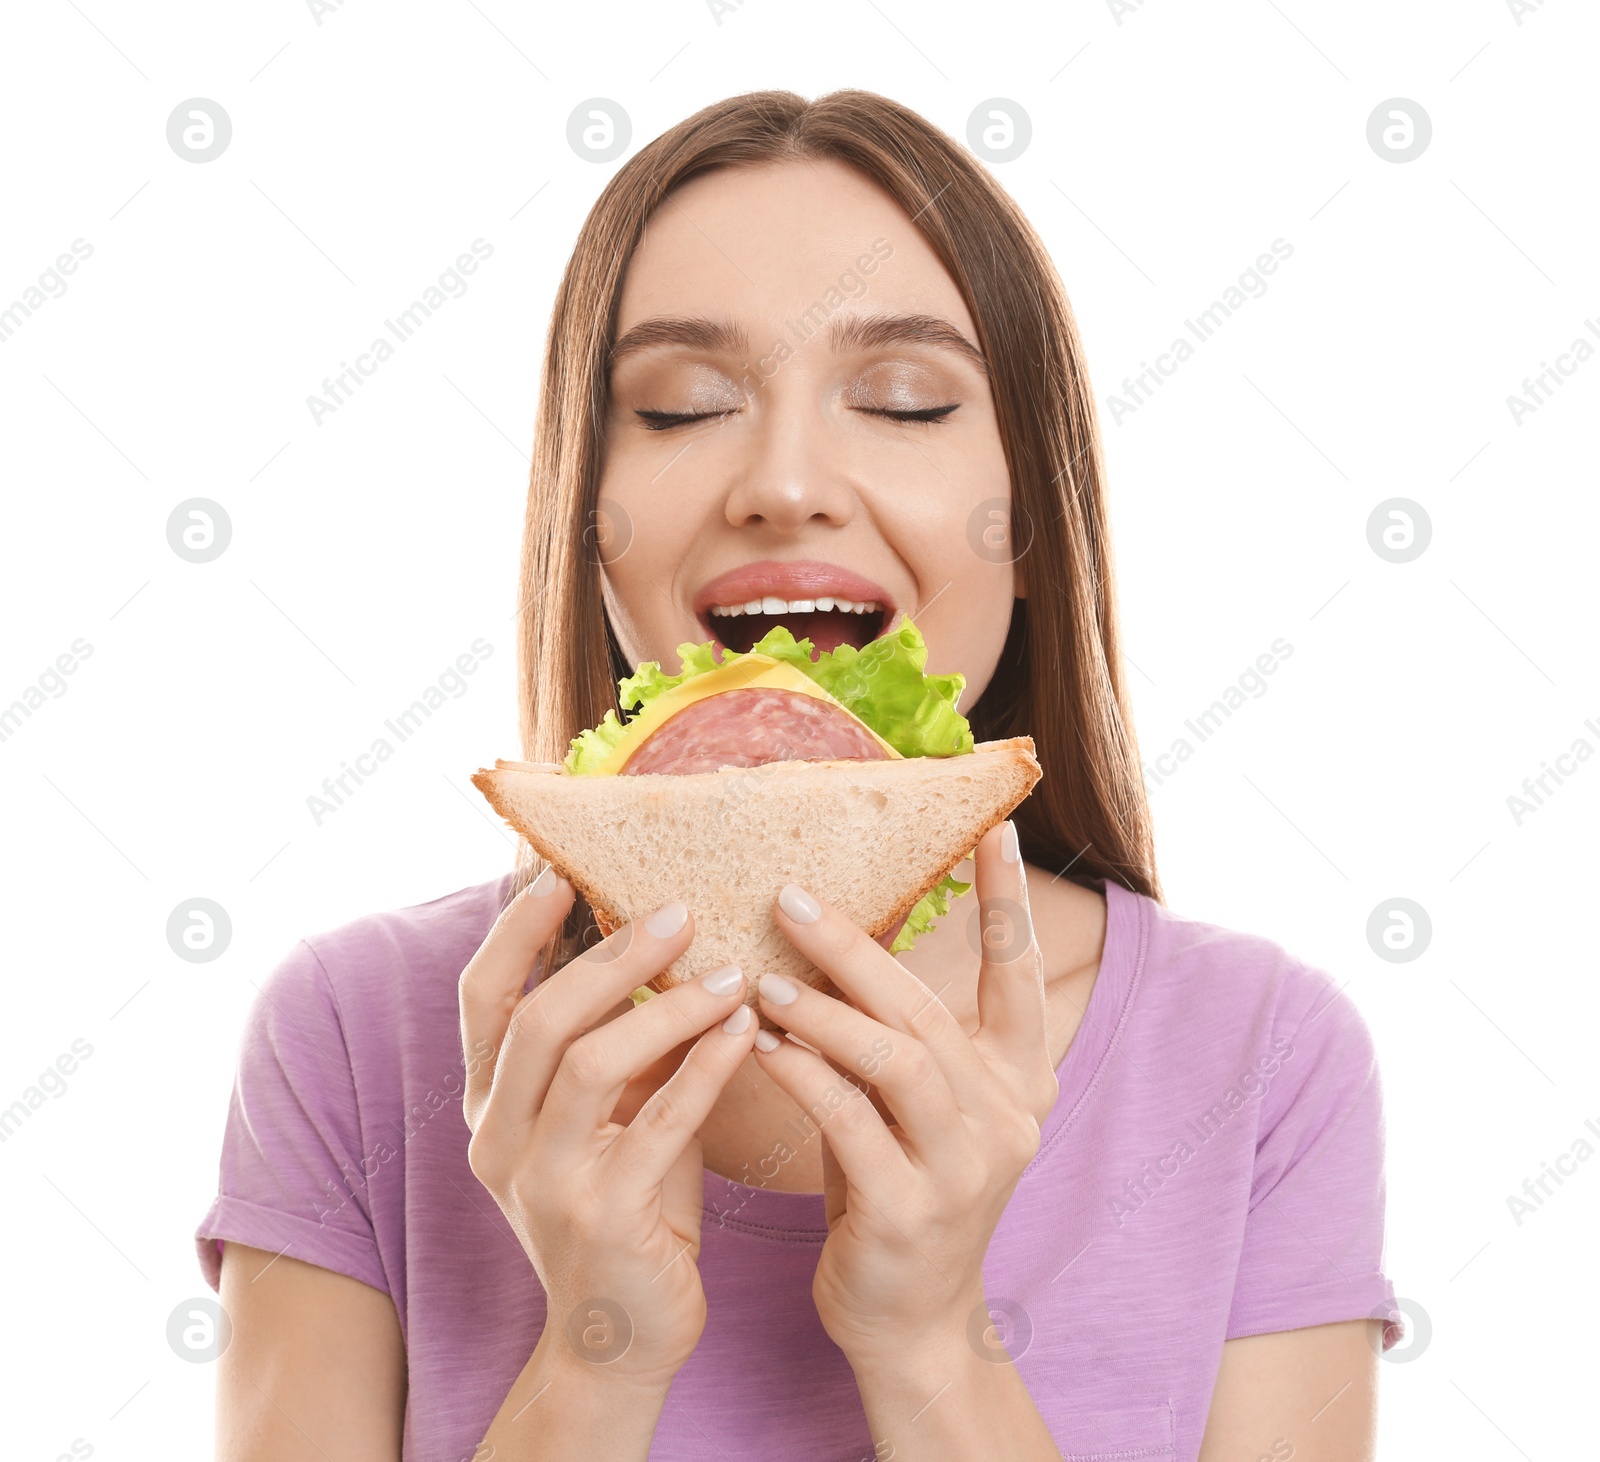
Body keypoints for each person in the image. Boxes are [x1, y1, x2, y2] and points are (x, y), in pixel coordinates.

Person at [197, 90, 1401, 1462]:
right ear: (584, 512)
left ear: (1030, 509)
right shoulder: (356, 1037)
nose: (783, 481)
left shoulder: (1265, 1060)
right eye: (682, 404)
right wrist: (600, 1348)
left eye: (904, 399)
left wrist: (931, 1342)